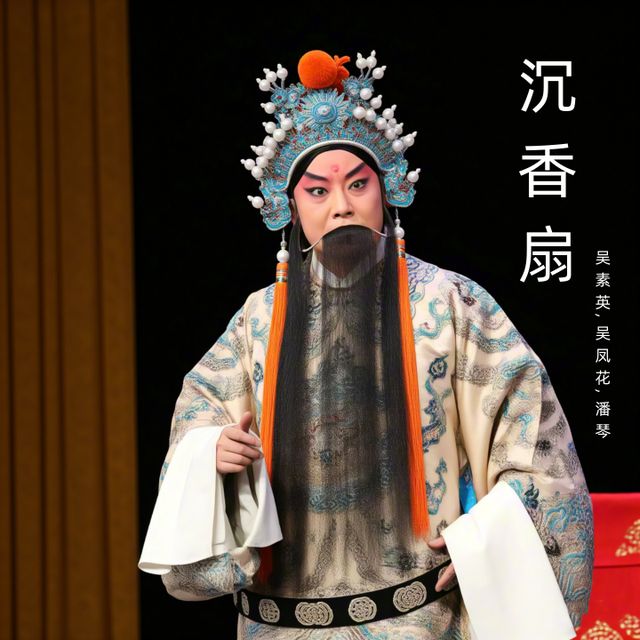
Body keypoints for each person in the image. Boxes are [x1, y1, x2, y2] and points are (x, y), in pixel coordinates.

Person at [138, 48, 594, 639]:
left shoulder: (451, 305)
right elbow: (199, 417)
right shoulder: (258, 320)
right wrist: (212, 453)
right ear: (290, 206)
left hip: (419, 620)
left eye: (358, 184)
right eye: (317, 192)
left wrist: (488, 545)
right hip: (279, 624)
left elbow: (534, 439)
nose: (342, 207)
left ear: (386, 191)